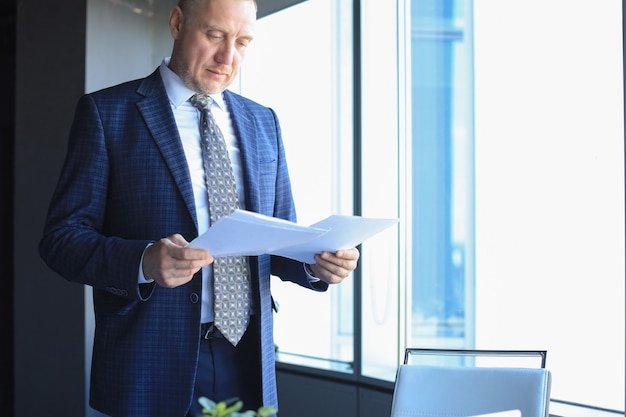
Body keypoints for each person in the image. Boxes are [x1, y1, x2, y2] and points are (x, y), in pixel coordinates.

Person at [38, 0, 360, 416]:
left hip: (247, 360)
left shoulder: (265, 122)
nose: (229, 57)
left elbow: (279, 239)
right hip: (148, 362)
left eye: (243, 42)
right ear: (177, 23)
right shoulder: (107, 113)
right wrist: (144, 261)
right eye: (215, 36)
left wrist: (317, 264)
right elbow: (61, 240)